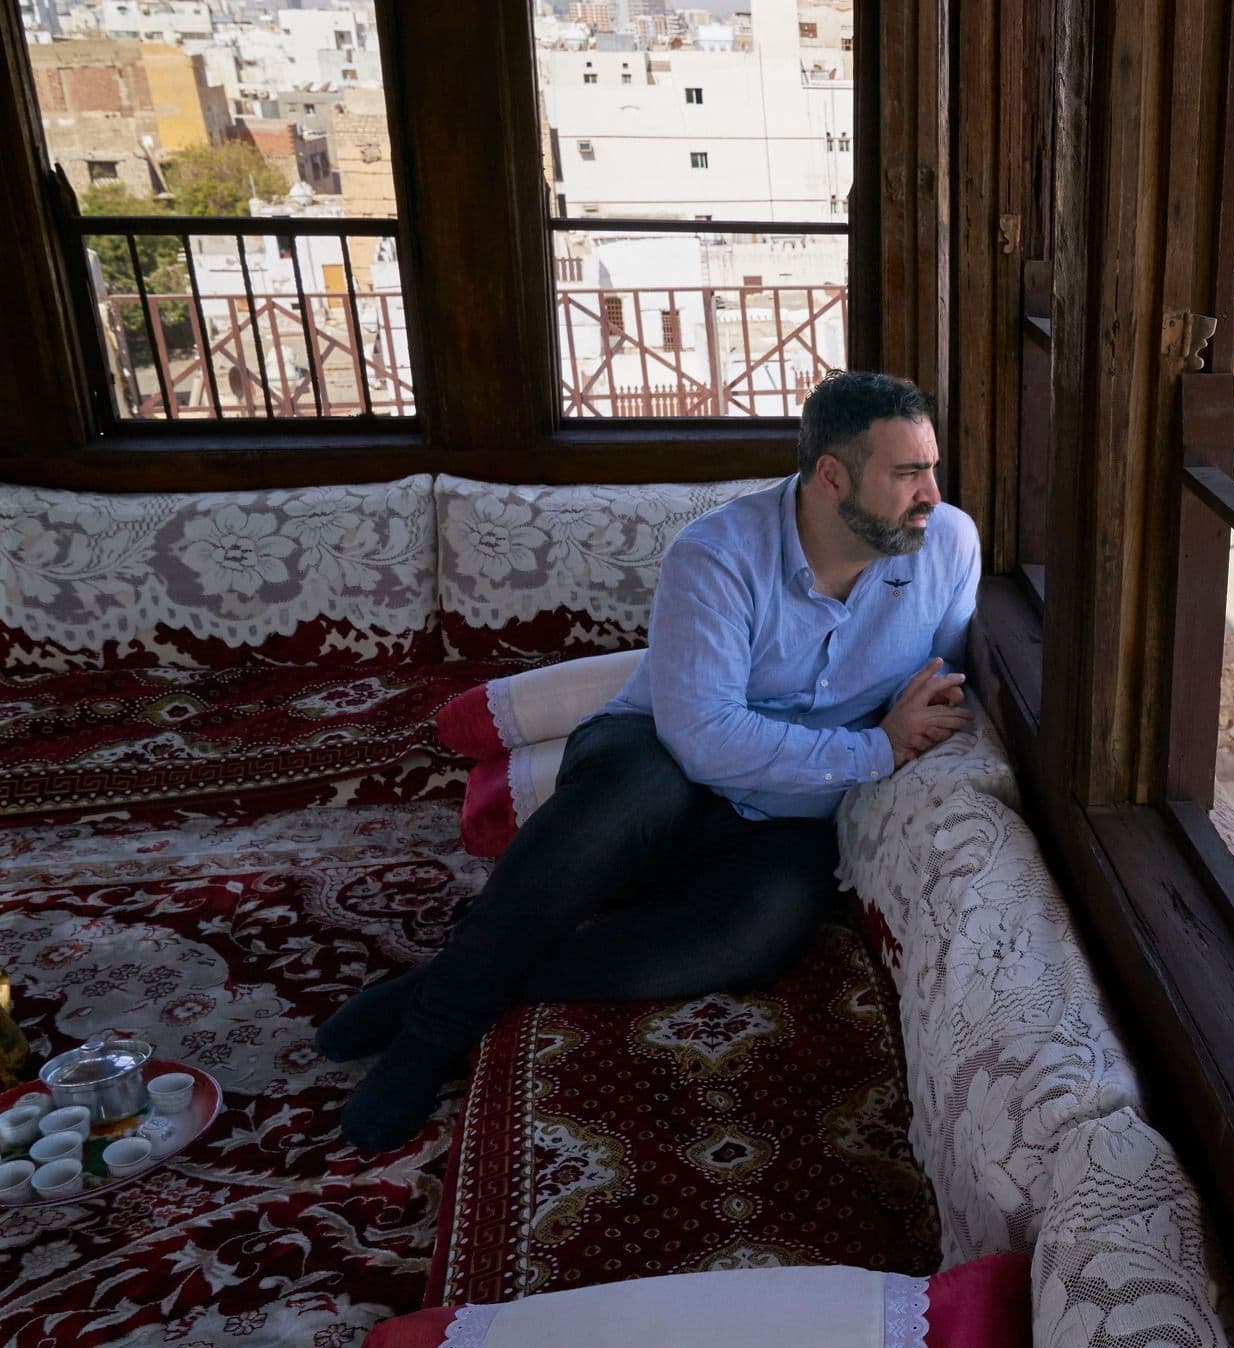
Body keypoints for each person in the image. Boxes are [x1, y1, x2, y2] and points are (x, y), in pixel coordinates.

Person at [320, 371, 978, 1151]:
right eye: (908, 473)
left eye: (931, 468)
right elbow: (705, 737)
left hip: (790, 810)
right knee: (631, 794)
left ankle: (448, 979)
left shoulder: (948, 546)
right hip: (656, 764)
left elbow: (941, 689)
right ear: (832, 475)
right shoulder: (717, 555)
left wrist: (887, 740)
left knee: (755, 937)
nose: (932, 494)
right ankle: (433, 1032)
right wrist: (874, 747)